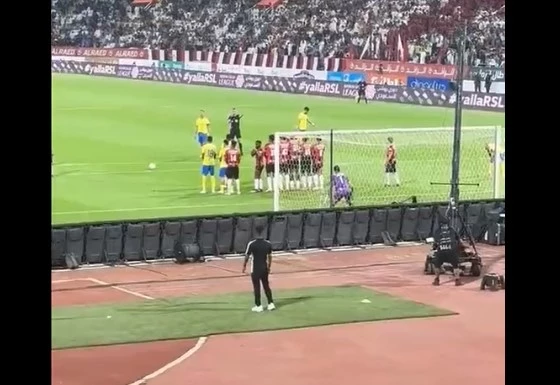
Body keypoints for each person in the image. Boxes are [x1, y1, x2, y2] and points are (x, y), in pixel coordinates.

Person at [243, 224, 275, 313]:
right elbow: (270, 257)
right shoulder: (268, 244)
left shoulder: (252, 244)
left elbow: (247, 256)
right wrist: (269, 267)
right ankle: (270, 303)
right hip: (264, 268)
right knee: (266, 286)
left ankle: (258, 305)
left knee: (256, 287)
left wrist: (244, 266)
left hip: (255, 269)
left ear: (255, 232)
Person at [432, 217, 465, 286]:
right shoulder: (452, 229)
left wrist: (435, 247)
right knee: (455, 266)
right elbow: (459, 240)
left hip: (441, 251)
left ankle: (436, 280)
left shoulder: (437, 231)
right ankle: (457, 280)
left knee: (437, 265)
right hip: (452, 251)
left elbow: (435, 243)